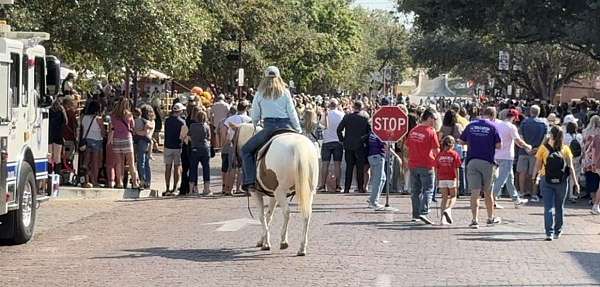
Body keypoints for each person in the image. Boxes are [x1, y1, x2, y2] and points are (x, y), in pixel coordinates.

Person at [241, 66, 301, 192]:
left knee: (246, 150)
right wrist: (298, 129)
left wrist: (255, 122)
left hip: (269, 128)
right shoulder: (285, 92)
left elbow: (255, 114)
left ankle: (250, 181)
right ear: (279, 77)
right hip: (287, 126)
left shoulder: (260, 93)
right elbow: (292, 112)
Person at [533, 126, 580, 240]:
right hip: (562, 181)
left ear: (551, 135)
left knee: (548, 207)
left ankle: (549, 232)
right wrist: (575, 183)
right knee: (560, 207)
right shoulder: (565, 149)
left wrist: (534, 177)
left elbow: (537, 166)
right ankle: (558, 231)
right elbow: (571, 167)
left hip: (546, 179)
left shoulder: (543, 148)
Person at [460, 107, 502, 229]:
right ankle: (490, 218)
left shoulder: (471, 125)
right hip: (487, 161)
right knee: (488, 192)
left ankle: (474, 219)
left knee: (475, 192)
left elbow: (461, 141)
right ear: (493, 116)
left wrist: (473, 143)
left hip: (472, 160)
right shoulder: (493, 127)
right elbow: (499, 145)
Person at [492, 109, 532, 208]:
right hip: (507, 156)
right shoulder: (511, 127)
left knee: (509, 178)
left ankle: (516, 199)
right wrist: (527, 146)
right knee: (502, 179)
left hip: (496, 155)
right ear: (514, 117)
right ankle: (492, 198)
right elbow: (518, 141)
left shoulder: (498, 125)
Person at [406, 108, 440, 224]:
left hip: (413, 163)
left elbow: (407, 146)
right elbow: (435, 150)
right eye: (434, 119)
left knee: (415, 191)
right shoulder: (431, 131)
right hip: (427, 164)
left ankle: (415, 214)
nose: (435, 121)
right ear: (429, 118)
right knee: (428, 190)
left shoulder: (413, 130)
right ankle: (423, 212)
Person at [336, 100, 371, 193]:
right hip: (360, 145)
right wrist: (364, 140)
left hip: (348, 145)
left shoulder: (347, 117)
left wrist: (342, 140)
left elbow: (339, 130)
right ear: (361, 107)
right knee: (360, 168)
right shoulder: (365, 117)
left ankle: (347, 188)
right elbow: (369, 132)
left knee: (349, 167)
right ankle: (360, 187)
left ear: (354, 107)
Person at [517, 105, 548, 202]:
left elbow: (520, 136)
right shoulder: (544, 124)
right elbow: (545, 138)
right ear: (538, 112)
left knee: (522, 172)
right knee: (535, 173)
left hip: (523, 151)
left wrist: (526, 147)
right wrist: (539, 148)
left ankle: (522, 192)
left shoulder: (524, 122)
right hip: (537, 153)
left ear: (530, 111)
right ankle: (534, 194)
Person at [108, 98, 139, 189]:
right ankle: (134, 182)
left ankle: (119, 182)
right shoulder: (129, 115)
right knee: (131, 163)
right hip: (127, 139)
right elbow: (133, 126)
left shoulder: (113, 115)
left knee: (118, 163)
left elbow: (111, 127)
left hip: (117, 139)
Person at [223, 101, 252, 195]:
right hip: (246, 145)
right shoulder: (249, 120)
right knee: (245, 168)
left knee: (232, 168)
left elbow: (224, 131)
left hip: (232, 144)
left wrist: (225, 143)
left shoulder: (230, 119)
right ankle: (245, 189)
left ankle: (228, 189)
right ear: (246, 108)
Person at [317, 99, 345, 192]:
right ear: (337, 105)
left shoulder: (326, 114)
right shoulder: (341, 114)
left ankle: (322, 185)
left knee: (325, 164)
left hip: (327, 141)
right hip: (338, 141)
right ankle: (338, 185)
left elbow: (322, 125)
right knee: (337, 164)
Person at [184, 110, 212, 195]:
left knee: (193, 168)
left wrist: (193, 141)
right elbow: (209, 137)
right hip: (205, 148)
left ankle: (191, 190)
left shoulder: (192, 126)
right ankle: (206, 189)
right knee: (206, 168)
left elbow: (188, 137)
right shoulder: (206, 126)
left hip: (195, 148)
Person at [163, 103, 187, 196]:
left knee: (168, 167)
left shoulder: (167, 121)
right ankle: (175, 188)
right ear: (180, 111)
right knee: (177, 167)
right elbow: (183, 135)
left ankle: (167, 187)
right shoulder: (182, 122)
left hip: (167, 146)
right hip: (178, 146)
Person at [80, 101, 105, 188]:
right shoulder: (99, 119)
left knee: (86, 162)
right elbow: (103, 132)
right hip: (96, 140)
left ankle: (85, 180)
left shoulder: (84, 118)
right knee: (95, 163)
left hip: (86, 140)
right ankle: (94, 181)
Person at [134, 105, 156, 189]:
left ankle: (142, 180)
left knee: (141, 161)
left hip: (142, 141)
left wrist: (135, 132)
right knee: (146, 162)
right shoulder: (152, 121)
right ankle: (147, 181)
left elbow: (144, 133)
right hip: (148, 142)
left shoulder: (142, 121)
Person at [582, 115, 600, 215]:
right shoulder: (598, 133)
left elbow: (583, 146)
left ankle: (594, 200)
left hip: (588, 159)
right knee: (597, 181)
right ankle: (596, 203)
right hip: (595, 159)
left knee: (590, 179)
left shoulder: (586, 131)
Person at [562, 116, 583, 203]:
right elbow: (582, 147)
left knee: (565, 175)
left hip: (566, 158)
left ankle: (566, 193)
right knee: (575, 176)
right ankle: (574, 193)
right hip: (577, 158)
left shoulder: (564, 136)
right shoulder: (579, 136)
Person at [366, 131, 386, 210]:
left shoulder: (373, 132)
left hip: (372, 156)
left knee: (383, 179)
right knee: (378, 180)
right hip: (378, 156)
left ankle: (373, 198)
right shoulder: (380, 133)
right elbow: (385, 145)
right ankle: (373, 202)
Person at [48, 98, 67, 175]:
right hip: (58, 135)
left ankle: (48, 176)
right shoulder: (61, 110)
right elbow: (65, 122)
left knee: (49, 157)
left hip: (49, 135)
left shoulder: (49, 110)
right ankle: (57, 177)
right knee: (57, 158)